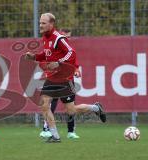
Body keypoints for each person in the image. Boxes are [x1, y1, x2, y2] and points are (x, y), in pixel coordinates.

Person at [25, 13, 106, 143]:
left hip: (64, 78)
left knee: (71, 110)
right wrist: (34, 57)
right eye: (40, 22)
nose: (40, 25)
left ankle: (96, 108)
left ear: (51, 24)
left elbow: (71, 53)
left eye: (43, 23)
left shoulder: (58, 38)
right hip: (52, 78)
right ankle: (55, 136)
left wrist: (59, 63)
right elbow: (47, 55)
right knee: (44, 105)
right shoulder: (45, 37)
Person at [40, 28, 80, 139]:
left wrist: (76, 70)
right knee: (48, 104)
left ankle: (71, 131)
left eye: (69, 37)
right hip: (55, 80)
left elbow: (75, 64)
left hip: (67, 81)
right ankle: (46, 129)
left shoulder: (69, 51)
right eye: (65, 36)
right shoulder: (55, 47)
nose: (67, 39)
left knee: (70, 108)